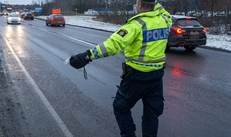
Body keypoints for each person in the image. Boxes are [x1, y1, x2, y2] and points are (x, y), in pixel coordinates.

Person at [68, 0, 172, 136]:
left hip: (137, 78)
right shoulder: (164, 20)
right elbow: (164, 11)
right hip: (157, 78)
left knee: (120, 106)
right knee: (151, 114)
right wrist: (153, 3)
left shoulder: (136, 25)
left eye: (137, 3)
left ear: (139, 5)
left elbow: (113, 44)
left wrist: (87, 56)